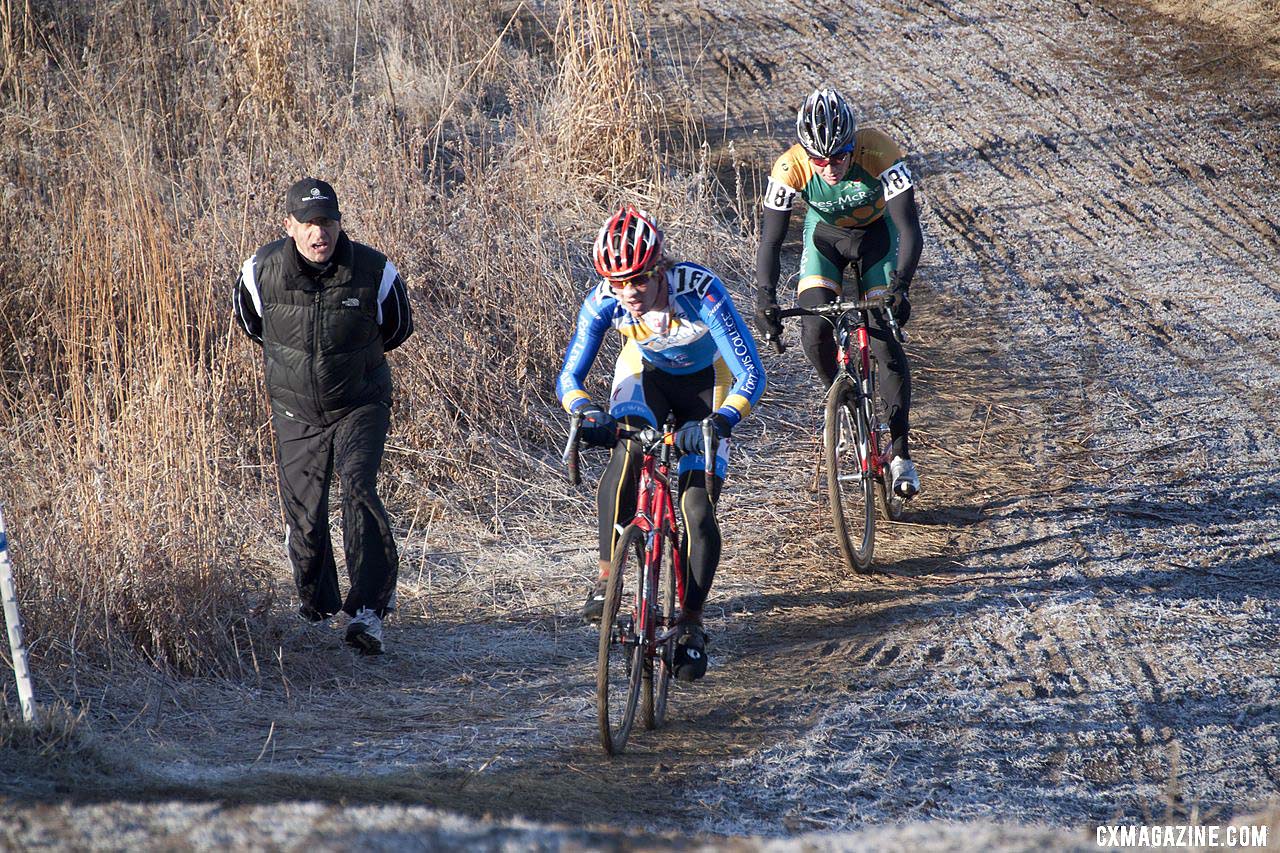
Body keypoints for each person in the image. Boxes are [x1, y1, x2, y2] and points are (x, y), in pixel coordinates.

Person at [557, 205, 766, 682]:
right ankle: (608, 579)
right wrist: (587, 412)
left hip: (705, 386)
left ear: (659, 270)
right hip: (645, 374)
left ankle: (691, 623)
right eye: (617, 283)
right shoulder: (605, 301)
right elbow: (570, 375)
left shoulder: (702, 292)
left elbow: (751, 372)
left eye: (638, 281)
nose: (628, 293)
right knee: (628, 448)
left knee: (696, 508)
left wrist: (723, 419)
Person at [233, 177, 414, 655]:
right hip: (296, 409)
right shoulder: (260, 271)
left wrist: (349, 365)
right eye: (309, 224)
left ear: (339, 224)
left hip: (360, 403)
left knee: (358, 489)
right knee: (305, 514)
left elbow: (397, 327)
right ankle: (317, 608)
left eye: (328, 223)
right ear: (289, 225)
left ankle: (369, 611)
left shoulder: (375, 271)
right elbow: (253, 324)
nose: (320, 235)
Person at [754, 87, 924, 497]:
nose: (829, 168)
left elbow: (908, 228)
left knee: (882, 338)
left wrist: (900, 287)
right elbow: (771, 241)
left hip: (875, 239)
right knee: (813, 331)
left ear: (853, 146)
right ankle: (845, 402)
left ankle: (900, 452)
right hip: (825, 239)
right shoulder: (788, 166)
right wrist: (765, 298)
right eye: (818, 160)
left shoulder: (880, 149)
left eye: (838, 157)